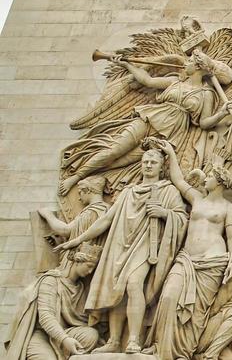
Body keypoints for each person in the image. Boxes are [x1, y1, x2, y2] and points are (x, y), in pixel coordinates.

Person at [58, 145, 187, 355]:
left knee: (133, 283)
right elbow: (106, 220)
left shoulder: (167, 190)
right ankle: (114, 340)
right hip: (121, 244)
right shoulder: (128, 192)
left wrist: (164, 213)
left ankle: (134, 339)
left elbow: (182, 218)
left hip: (147, 245)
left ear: (162, 166)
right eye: (145, 161)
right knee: (118, 289)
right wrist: (78, 240)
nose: (148, 165)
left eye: (153, 162)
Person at [60, 47, 232, 196]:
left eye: (190, 61)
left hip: (169, 134)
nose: (186, 63)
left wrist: (221, 113)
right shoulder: (174, 81)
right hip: (150, 119)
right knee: (115, 150)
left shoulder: (206, 94)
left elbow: (204, 122)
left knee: (124, 161)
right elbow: (147, 80)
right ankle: (75, 178)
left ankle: (89, 178)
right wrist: (126, 64)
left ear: (199, 67)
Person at [152, 142, 232, 360]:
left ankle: (184, 352)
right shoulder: (196, 199)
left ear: (219, 181)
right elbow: (179, 181)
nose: (204, 179)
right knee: (169, 296)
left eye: (209, 176)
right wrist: (171, 153)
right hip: (187, 260)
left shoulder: (228, 208)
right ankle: (163, 351)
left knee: (197, 313)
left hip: (212, 263)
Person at [3, 243, 102, 360]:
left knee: (91, 334)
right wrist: (64, 339)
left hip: (64, 333)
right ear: (77, 260)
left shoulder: (80, 287)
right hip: (42, 335)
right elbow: (46, 316)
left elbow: (79, 319)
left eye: (93, 268)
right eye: (89, 266)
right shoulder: (51, 281)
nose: (90, 271)